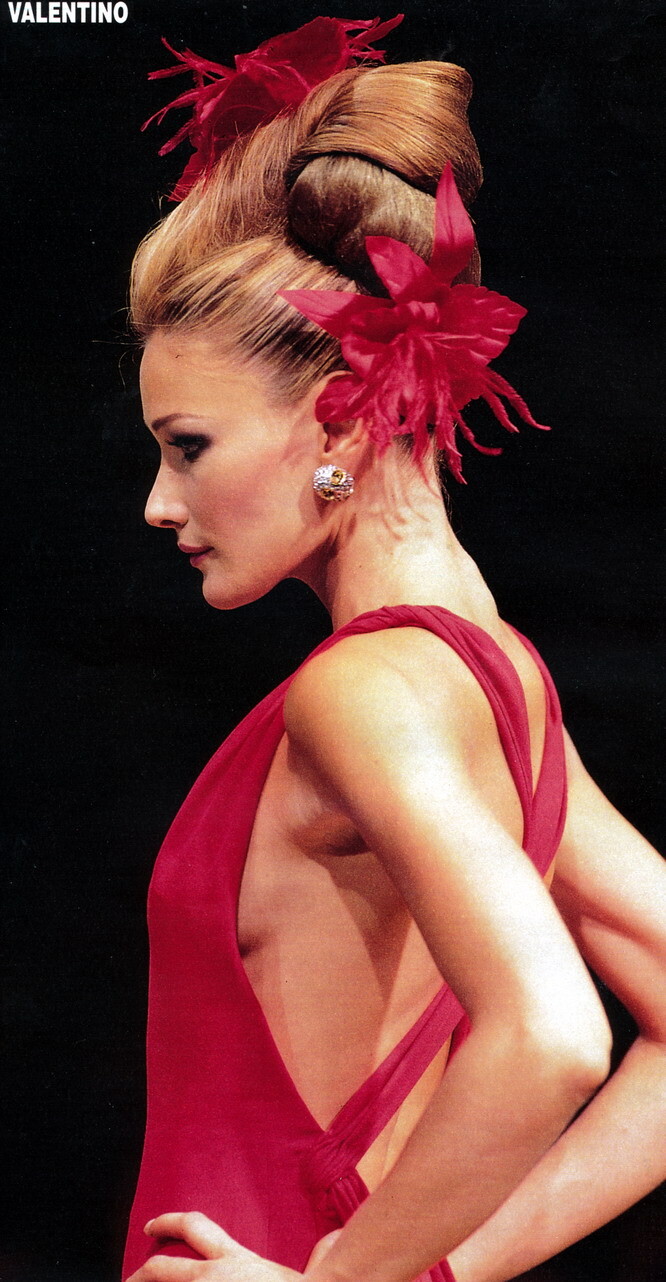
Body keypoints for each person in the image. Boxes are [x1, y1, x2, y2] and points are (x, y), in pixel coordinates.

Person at [122, 16, 666, 1282]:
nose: (157, 503)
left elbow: (552, 1033)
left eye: (188, 446)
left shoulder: (365, 692)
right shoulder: (498, 676)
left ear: (339, 425)